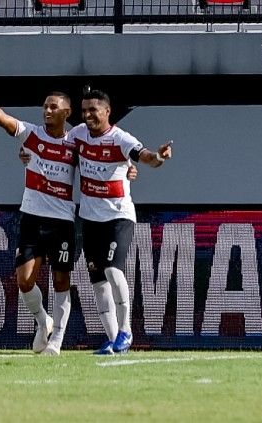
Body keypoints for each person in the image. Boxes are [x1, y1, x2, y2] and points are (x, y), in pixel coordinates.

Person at [0, 77, 84, 356]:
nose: (47, 111)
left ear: (66, 112)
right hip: (31, 217)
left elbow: (101, 157)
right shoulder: (32, 135)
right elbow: (6, 121)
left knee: (60, 281)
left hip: (63, 222)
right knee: (23, 280)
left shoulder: (77, 142)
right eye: (44, 106)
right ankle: (42, 321)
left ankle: (56, 341)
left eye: (53, 107)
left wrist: (128, 169)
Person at [69, 89, 172, 355]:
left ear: (107, 111)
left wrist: (158, 157)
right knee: (97, 282)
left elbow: (146, 157)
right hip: (89, 218)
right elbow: (58, 151)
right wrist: (27, 156)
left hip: (118, 216)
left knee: (113, 271)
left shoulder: (120, 139)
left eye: (93, 110)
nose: (88, 115)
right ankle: (113, 340)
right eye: (84, 111)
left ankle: (126, 331)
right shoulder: (77, 134)